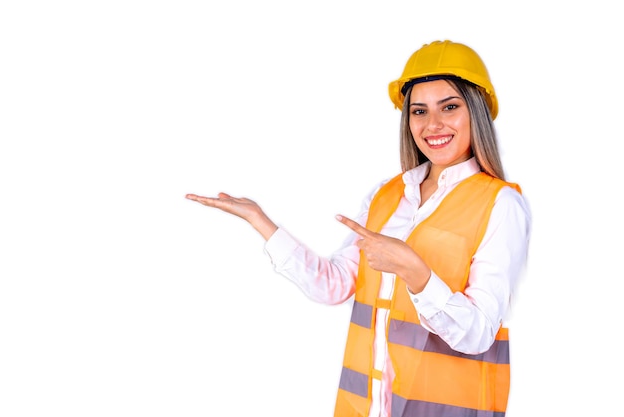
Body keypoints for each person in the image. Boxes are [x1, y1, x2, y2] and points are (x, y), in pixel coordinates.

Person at [186, 39, 531, 417]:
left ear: (476, 112)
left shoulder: (501, 205)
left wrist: (415, 272)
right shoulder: (387, 197)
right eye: (419, 111)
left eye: (449, 107)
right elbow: (334, 284)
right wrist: (261, 221)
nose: (433, 124)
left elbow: (479, 332)